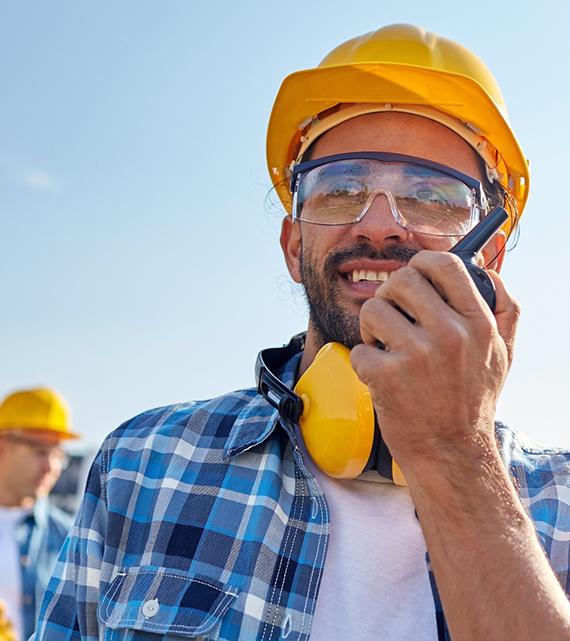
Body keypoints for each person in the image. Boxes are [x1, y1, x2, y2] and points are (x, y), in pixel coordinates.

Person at [34, 24, 570, 641]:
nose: (379, 226)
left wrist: (456, 452)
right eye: (341, 189)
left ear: (490, 261)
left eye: (432, 196)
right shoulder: (142, 465)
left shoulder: (558, 504)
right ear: (294, 247)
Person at [0, 388, 79, 640]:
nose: (51, 467)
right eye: (40, 451)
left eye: (58, 454)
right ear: (3, 446)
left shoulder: (73, 537)